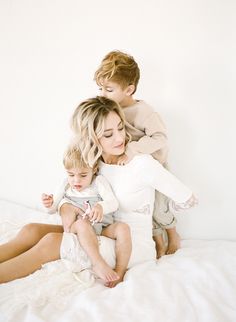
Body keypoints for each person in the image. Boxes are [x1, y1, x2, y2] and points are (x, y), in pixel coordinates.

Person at [0, 96, 196, 286]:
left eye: (120, 127)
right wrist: (65, 206)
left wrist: (158, 225)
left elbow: (186, 197)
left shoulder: (141, 164)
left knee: (51, 242)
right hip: (98, 230)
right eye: (108, 134)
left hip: (130, 246)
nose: (120, 138)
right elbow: (73, 193)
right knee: (31, 230)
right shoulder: (93, 164)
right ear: (90, 137)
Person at [94, 50, 187, 258]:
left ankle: (173, 234)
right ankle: (156, 240)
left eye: (108, 89)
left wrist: (133, 149)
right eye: (100, 88)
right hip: (133, 168)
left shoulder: (145, 112)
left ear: (129, 89)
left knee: (159, 210)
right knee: (144, 209)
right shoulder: (111, 109)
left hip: (154, 166)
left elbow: (160, 138)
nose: (102, 94)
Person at [41, 146, 132, 286]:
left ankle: (120, 271)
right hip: (77, 229)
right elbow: (53, 209)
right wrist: (48, 204)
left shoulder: (98, 182)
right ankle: (98, 263)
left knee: (123, 228)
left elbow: (113, 203)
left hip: (101, 228)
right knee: (82, 223)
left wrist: (101, 206)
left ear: (94, 170)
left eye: (83, 175)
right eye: (71, 175)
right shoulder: (65, 185)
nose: (76, 180)